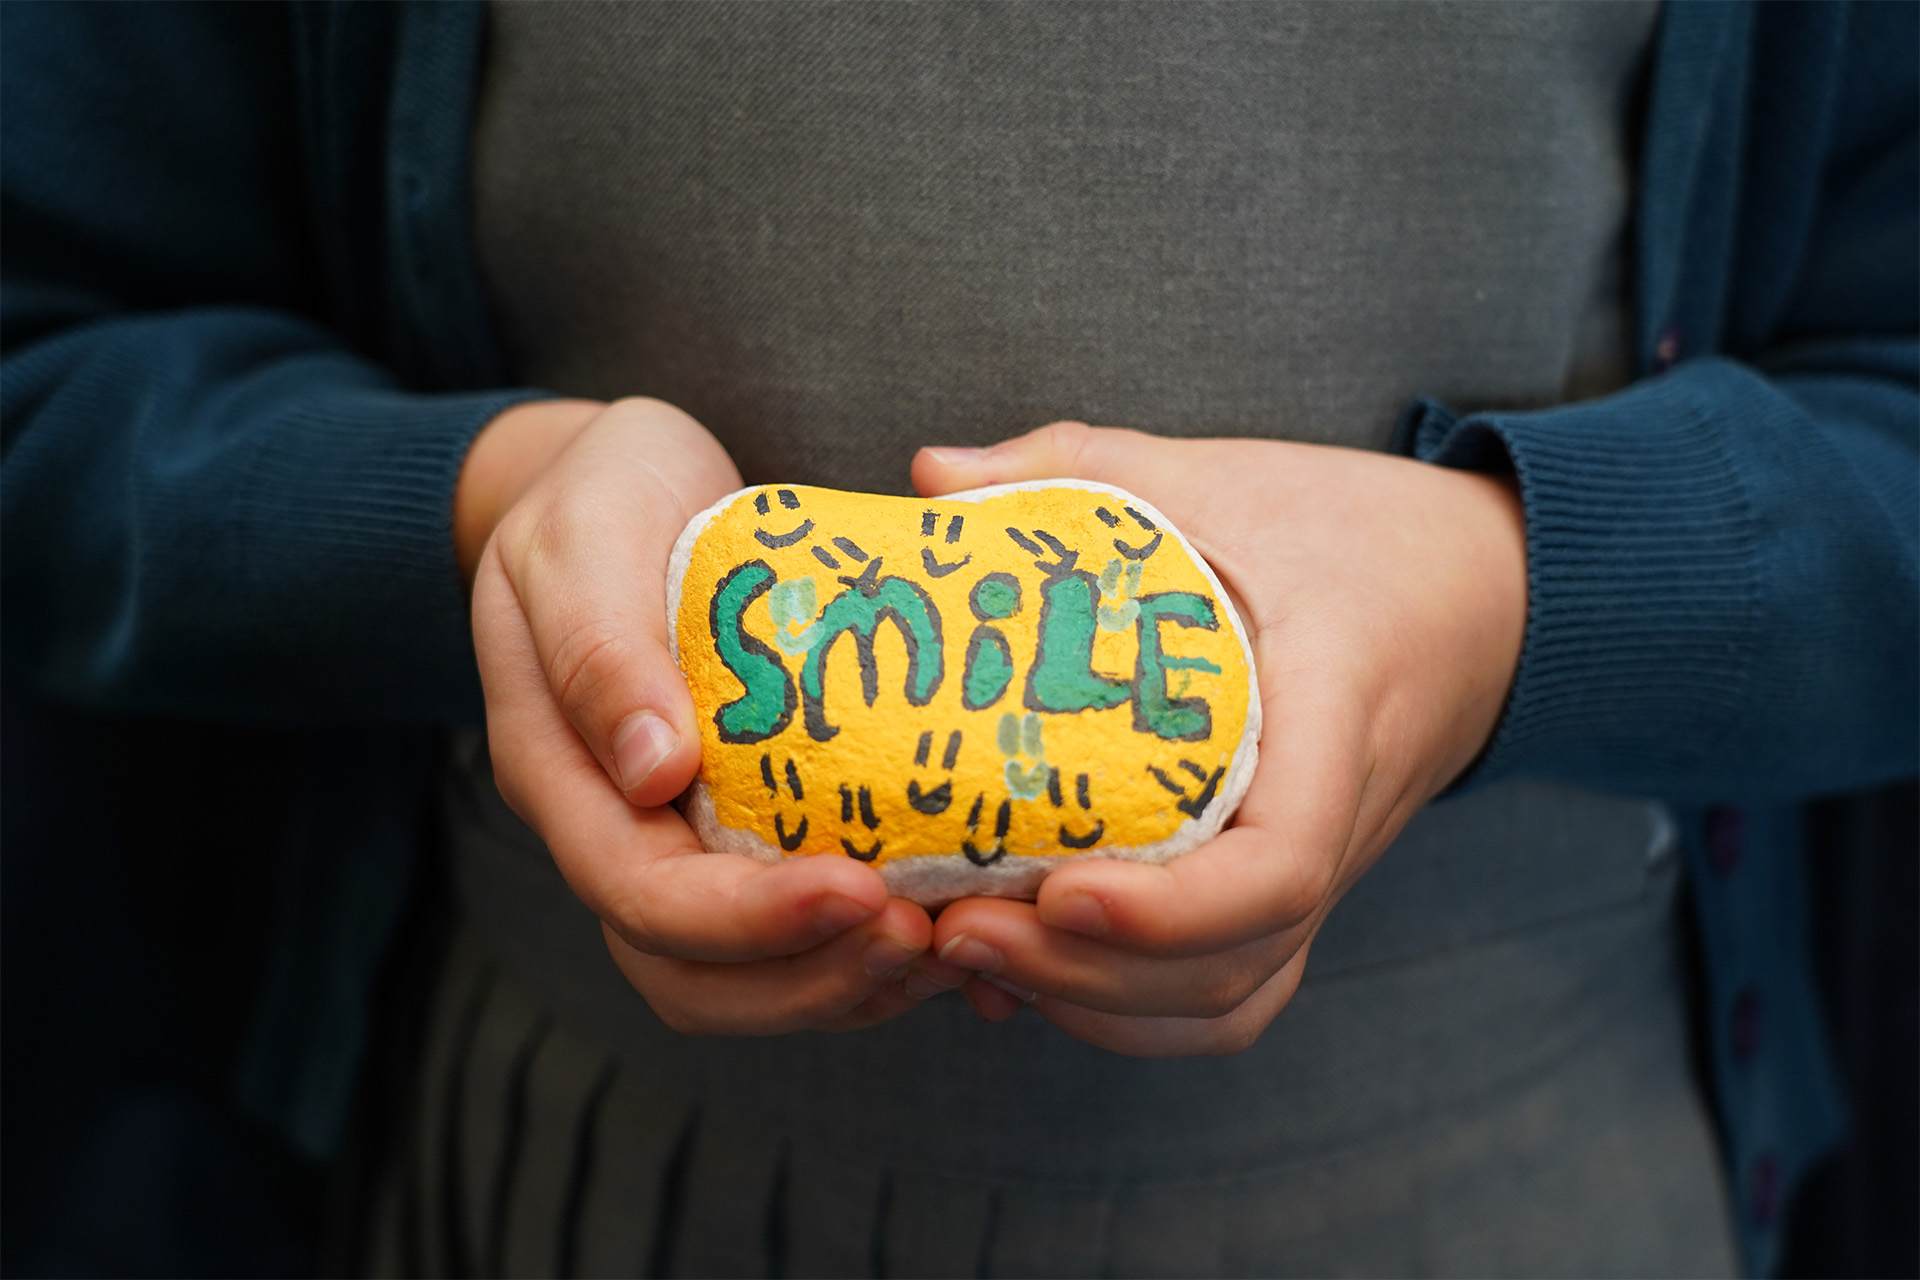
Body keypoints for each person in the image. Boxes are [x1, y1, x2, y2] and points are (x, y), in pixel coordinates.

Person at [3, 2, 1913, 1276]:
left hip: (1532, 1196)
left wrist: (1504, 589)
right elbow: (51, 353)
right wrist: (489, 508)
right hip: (574, 1186)